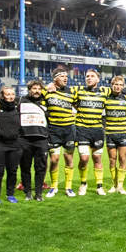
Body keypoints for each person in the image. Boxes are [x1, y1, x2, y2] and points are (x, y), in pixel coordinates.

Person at [72, 69, 109, 196]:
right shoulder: (78, 91)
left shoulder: (105, 92)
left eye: (92, 76)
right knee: (84, 158)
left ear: (98, 79)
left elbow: (120, 90)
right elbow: (67, 96)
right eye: (87, 76)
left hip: (97, 130)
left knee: (97, 158)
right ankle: (83, 183)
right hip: (82, 129)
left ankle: (99, 186)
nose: (89, 78)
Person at [42, 70, 78, 198]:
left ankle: (68, 187)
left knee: (69, 158)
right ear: (55, 79)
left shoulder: (72, 92)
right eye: (62, 76)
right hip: (53, 129)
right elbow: (36, 96)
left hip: (69, 129)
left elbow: (78, 105)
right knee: (54, 159)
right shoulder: (47, 91)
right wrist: (48, 86)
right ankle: (54, 187)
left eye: (66, 76)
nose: (65, 78)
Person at [0, 85, 23, 205]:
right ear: (2, 96)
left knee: (12, 171)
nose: (10, 97)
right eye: (7, 94)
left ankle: (10, 194)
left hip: (14, 145)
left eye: (12, 94)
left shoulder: (18, 107)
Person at [19, 79, 49, 202]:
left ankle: (38, 193)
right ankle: (27, 192)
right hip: (24, 139)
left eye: (39, 89)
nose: (36, 91)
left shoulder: (46, 101)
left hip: (41, 139)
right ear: (29, 89)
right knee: (25, 167)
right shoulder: (20, 100)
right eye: (34, 88)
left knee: (40, 168)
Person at [103, 75, 126, 194]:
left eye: (120, 85)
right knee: (112, 159)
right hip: (110, 133)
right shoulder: (106, 98)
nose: (118, 87)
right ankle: (114, 184)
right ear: (112, 85)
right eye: (116, 84)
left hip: (123, 132)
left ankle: (120, 185)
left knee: (123, 158)